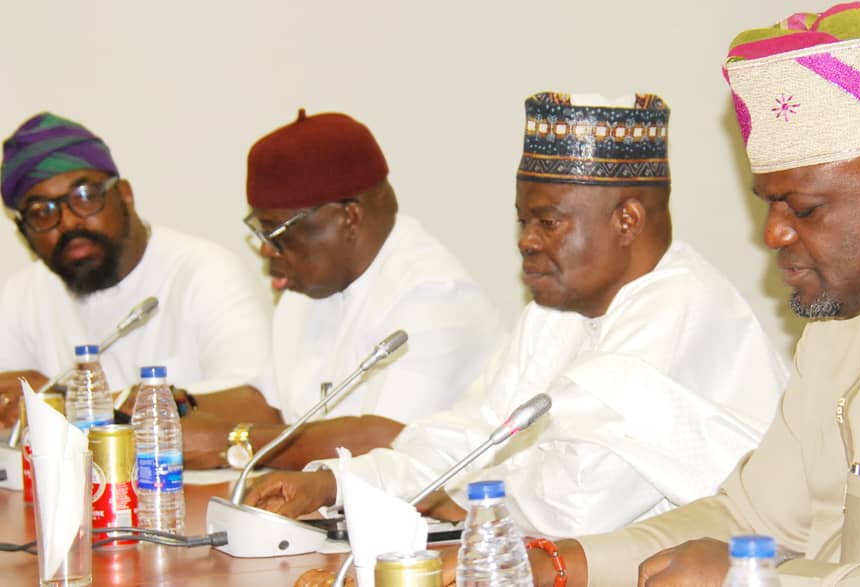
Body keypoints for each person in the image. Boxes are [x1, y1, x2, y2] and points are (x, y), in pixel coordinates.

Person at [528, 3, 860, 586]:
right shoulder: (844, 317)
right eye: (770, 204)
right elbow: (751, 520)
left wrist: (747, 579)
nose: (773, 234)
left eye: (805, 208)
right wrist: (556, 565)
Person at [243, 92, 789, 541]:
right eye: (523, 221)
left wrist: (454, 496)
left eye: (548, 223)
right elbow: (473, 429)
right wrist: (340, 483)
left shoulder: (680, 311)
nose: (526, 242)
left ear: (627, 220)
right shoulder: (558, 310)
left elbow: (579, 503)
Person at [180, 109, 503, 471]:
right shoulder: (310, 287)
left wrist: (231, 443)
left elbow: (388, 446)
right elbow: (271, 405)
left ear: (348, 217)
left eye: (277, 232)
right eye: (261, 232)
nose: (267, 250)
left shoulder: (433, 296)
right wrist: (175, 407)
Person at [0, 112, 278, 428]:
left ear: (125, 195)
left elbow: (259, 406)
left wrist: (66, 403)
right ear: (24, 232)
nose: (69, 221)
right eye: (42, 212)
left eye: (85, 196)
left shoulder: (206, 273)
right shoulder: (20, 295)